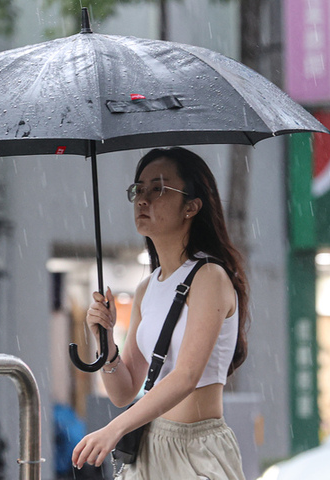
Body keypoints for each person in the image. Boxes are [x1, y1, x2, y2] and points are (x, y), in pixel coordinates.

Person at [71, 147, 249, 479]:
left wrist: (114, 428)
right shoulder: (146, 289)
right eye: (138, 189)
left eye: (158, 189)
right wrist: (105, 342)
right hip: (149, 445)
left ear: (192, 207)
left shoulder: (209, 276)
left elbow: (185, 377)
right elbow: (125, 390)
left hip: (198, 450)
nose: (143, 199)